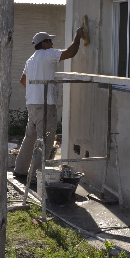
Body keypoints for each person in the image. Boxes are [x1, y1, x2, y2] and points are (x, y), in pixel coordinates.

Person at [13, 27, 85, 185]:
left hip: (32, 104)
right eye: (50, 41)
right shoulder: (48, 54)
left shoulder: (30, 59)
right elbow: (70, 53)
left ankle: (20, 170)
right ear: (43, 44)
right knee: (44, 142)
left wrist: (35, 92)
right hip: (45, 106)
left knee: (30, 138)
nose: (52, 43)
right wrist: (77, 37)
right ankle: (34, 178)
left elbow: (23, 80)